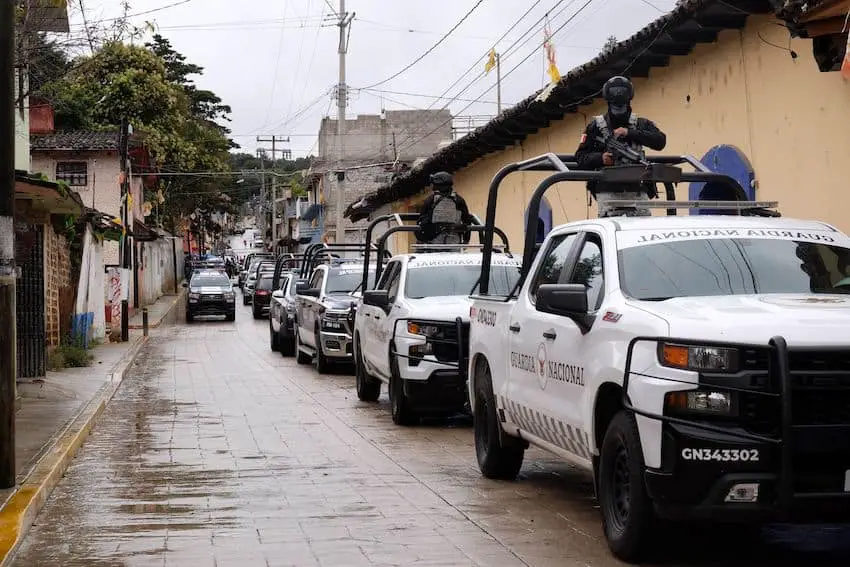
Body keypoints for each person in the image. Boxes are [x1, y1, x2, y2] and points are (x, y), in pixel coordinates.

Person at [575, 76, 667, 217]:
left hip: (637, 190)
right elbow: (580, 157)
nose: (619, 111)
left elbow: (660, 141)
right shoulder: (596, 127)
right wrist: (600, 158)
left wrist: (630, 133)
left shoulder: (641, 124)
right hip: (607, 193)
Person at [415, 171, 475, 247]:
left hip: (433, 243)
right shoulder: (459, 200)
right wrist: (466, 240)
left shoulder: (430, 200)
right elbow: (467, 220)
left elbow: (421, 221)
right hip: (454, 242)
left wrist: (421, 239)